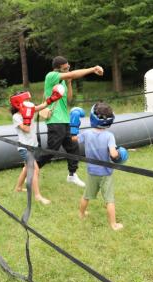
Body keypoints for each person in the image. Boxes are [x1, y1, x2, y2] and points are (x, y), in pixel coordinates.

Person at [37, 56, 104, 187]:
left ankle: (72, 175)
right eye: (66, 67)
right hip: (55, 120)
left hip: (64, 119)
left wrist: (68, 83)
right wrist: (93, 69)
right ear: (59, 68)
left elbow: (69, 100)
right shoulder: (51, 76)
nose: (68, 69)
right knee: (53, 149)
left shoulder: (63, 82)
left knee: (73, 147)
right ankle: (33, 166)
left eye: (68, 67)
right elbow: (74, 74)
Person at [71, 102, 128, 231]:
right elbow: (113, 154)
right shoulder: (109, 136)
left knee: (87, 195)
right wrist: (121, 153)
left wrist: (74, 124)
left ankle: (81, 214)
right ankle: (113, 224)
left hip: (92, 171)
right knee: (109, 199)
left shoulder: (87, 133)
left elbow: (73, 139)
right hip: (105, 173)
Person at [10, 91, 61, 205]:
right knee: (34, 169)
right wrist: (27, 117)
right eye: (26, 101)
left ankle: (18, 188)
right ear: (18, 104)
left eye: (28, 100)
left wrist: (52, 98)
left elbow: (42, 106)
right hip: (24, 147)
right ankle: (38, 196)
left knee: (26, 168)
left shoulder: (31, 109)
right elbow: (26, 129)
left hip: (33, 146)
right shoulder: (16, 116)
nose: (29, 103)